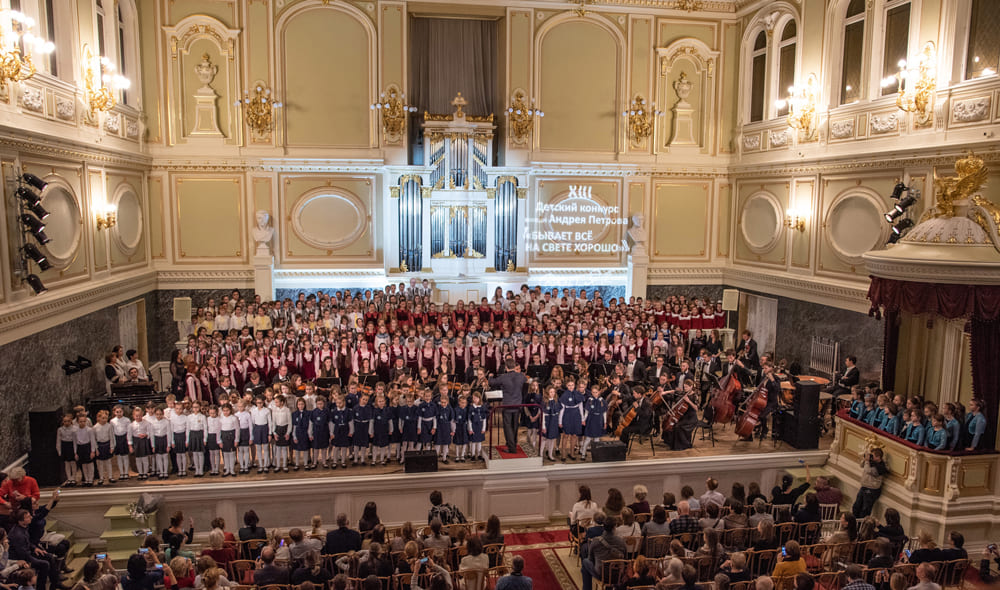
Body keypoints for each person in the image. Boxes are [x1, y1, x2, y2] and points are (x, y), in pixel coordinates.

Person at [489, 360, 527, 454]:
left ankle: (512, 448)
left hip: (508, 405)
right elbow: (525, 381)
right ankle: (513, 444)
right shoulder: (521, 376)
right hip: (518, 405)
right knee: (515, 426)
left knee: (508, 427)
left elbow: (492, 383)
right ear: (514, 366)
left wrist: (490, 376)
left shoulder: (503, 377)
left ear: (506, 367)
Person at [581, 520, 625, 590]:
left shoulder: (596, 541)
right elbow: (624, 559)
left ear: (603, 528)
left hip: (601, 574)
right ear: (614, 528)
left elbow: (590, 559)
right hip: (618, 574)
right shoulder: (621, 541)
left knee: (585, 561)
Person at [853, 448, 888, 518]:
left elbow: (868, 470)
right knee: (856, 506)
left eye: (873, 456)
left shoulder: (881, 466)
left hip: (872, 490)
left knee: (865, 510)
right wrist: (865, 459)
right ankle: (854, 522)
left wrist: (867, 461)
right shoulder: (870, 461)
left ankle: (861, 526)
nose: (871, 457)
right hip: (864, 487)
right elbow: (861, 465)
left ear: (878, 457)